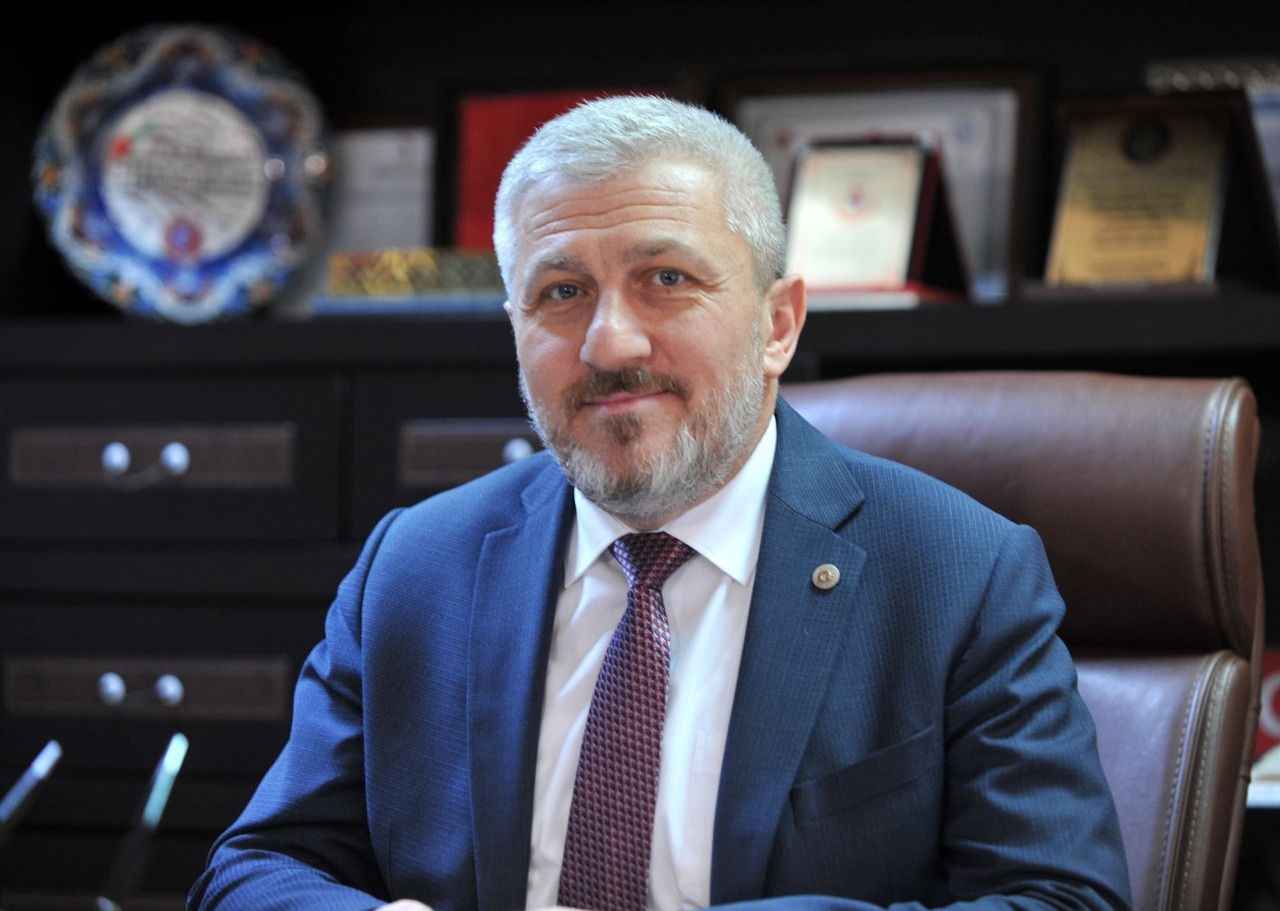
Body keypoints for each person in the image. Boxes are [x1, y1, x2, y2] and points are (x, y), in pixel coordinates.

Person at [189, 96, 1131, 911]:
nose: (609, 343)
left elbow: (1061, 895)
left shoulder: (959, 572)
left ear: (778, 324)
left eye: (667, 280)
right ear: (514, 328)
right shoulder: (415, 564)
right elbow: (257, 867)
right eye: (561, 291)